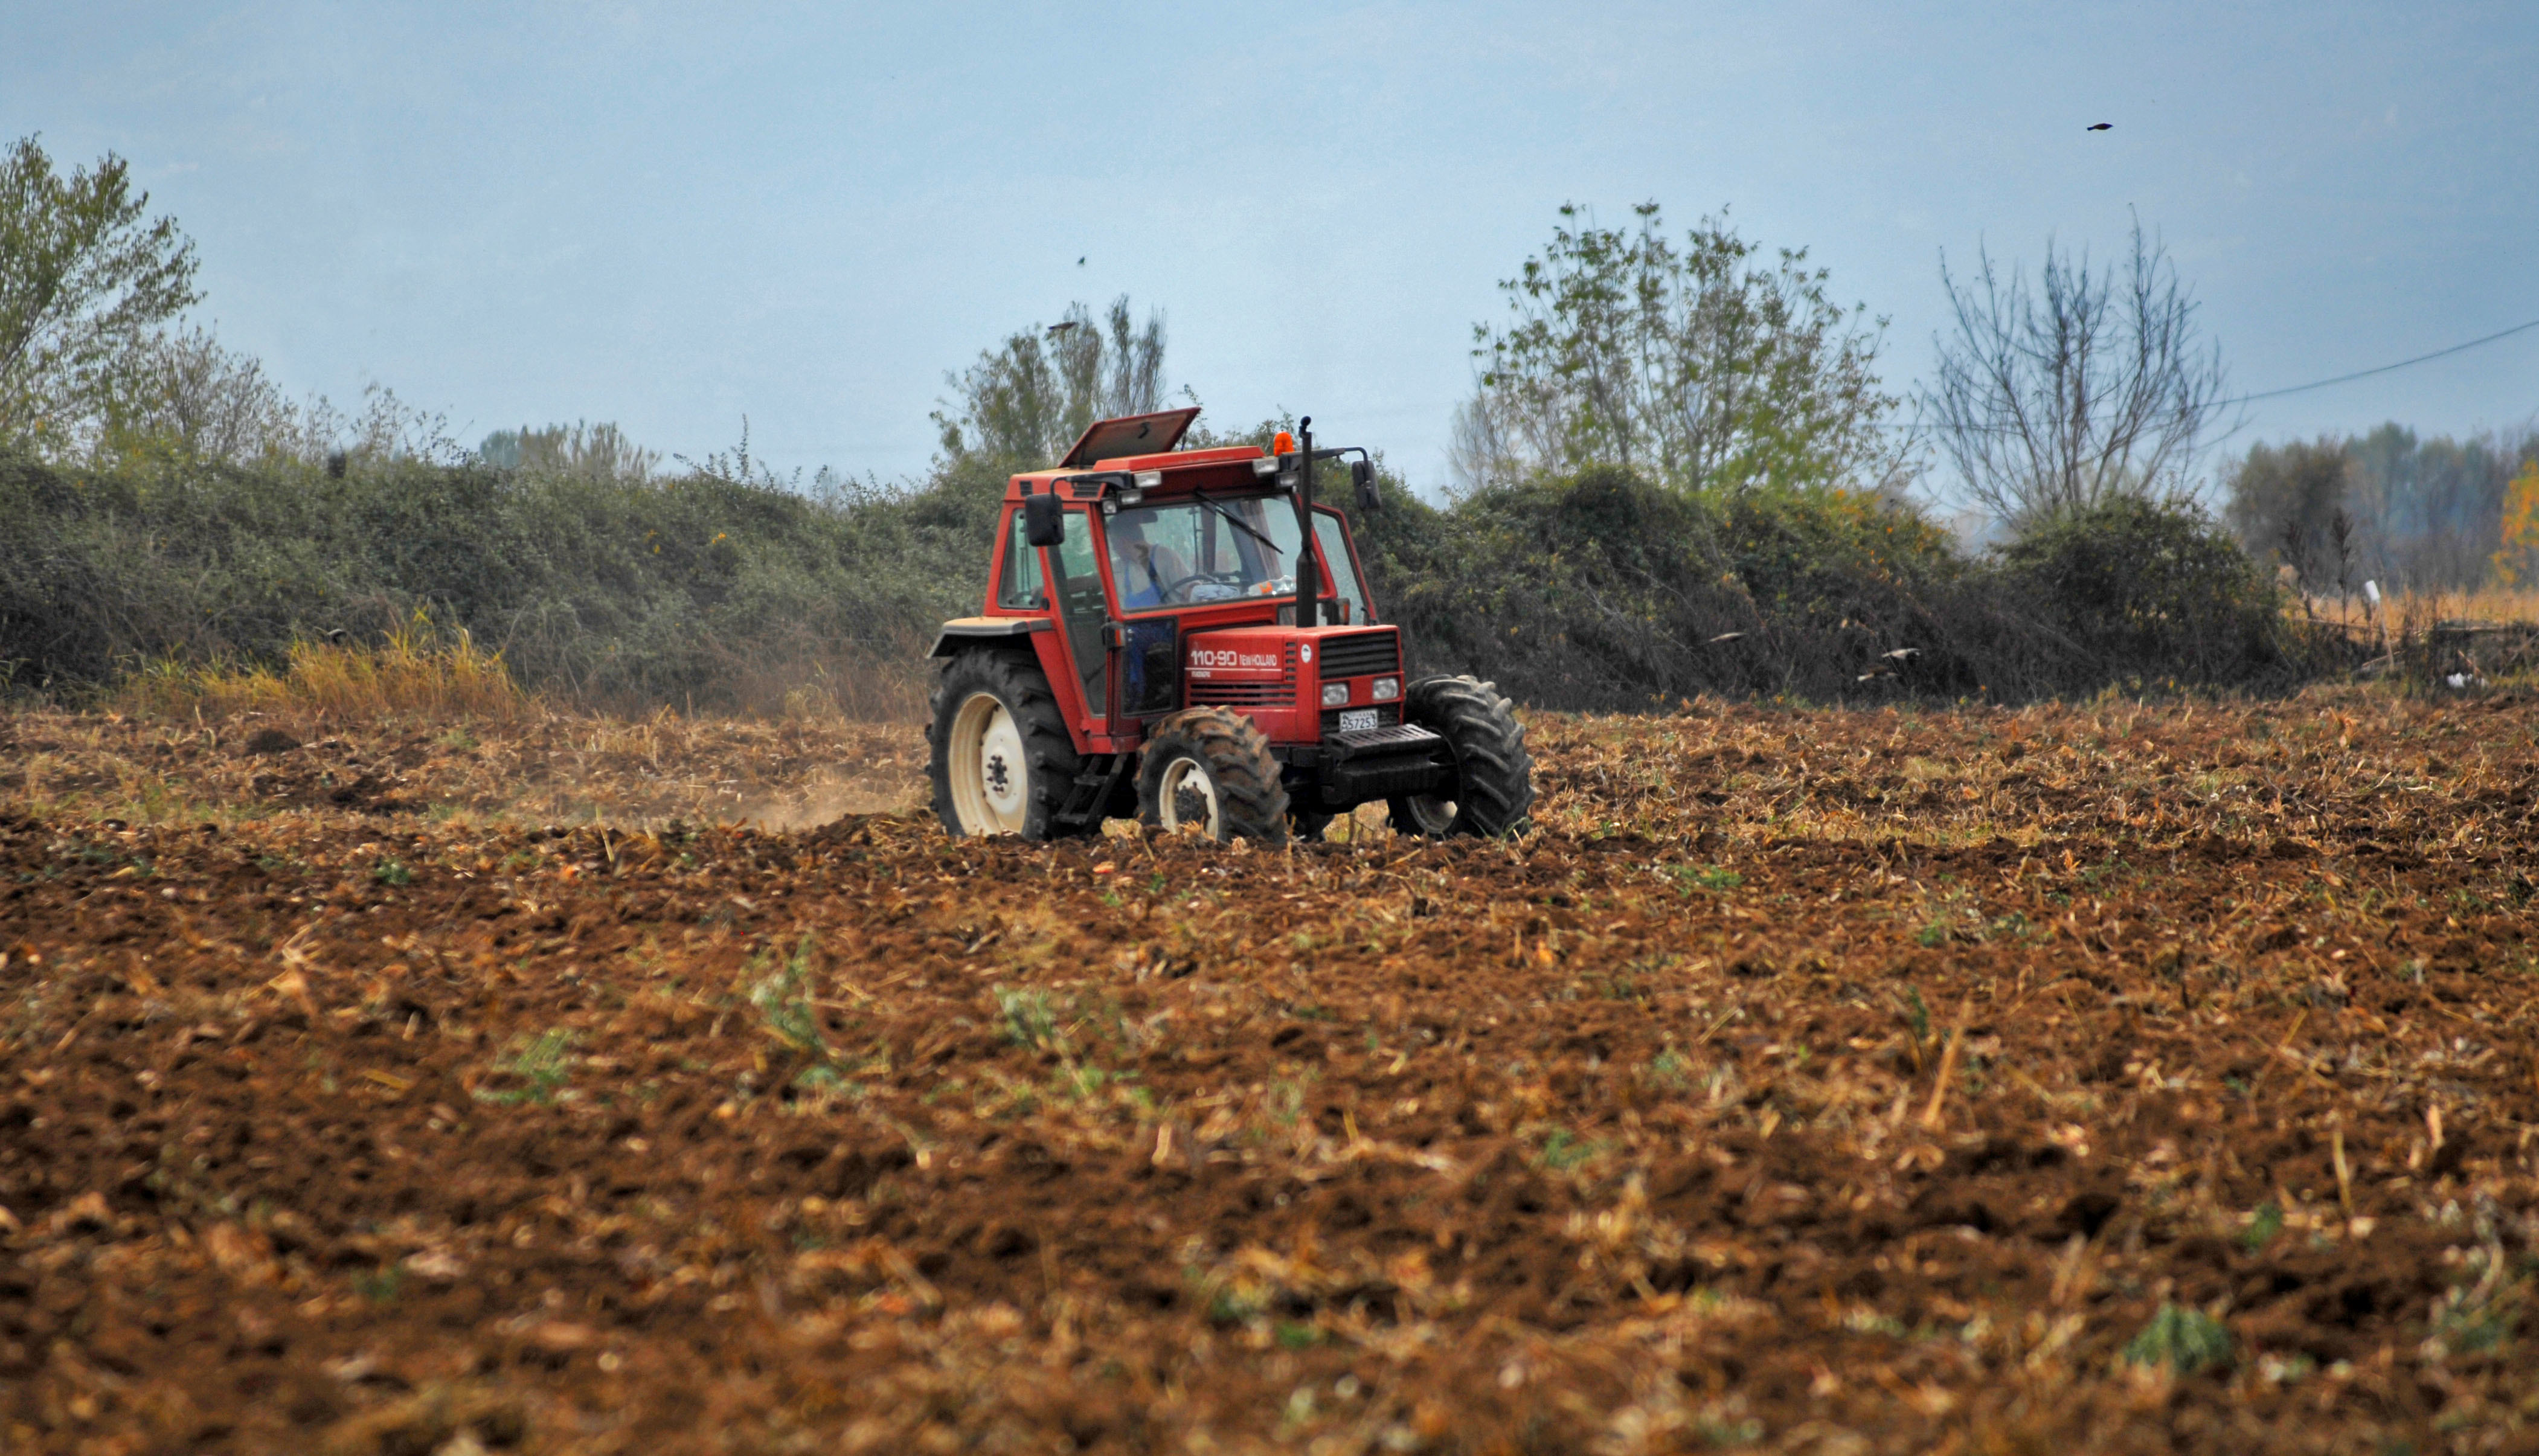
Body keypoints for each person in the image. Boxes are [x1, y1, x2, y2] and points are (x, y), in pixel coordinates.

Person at [1109, 517, 1190, 611]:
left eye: (1113, 543)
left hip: (1168, 621)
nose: (1114, 549)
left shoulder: (1165, 556)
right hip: (1133, 623)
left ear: (1123, 542)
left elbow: (1188, 591)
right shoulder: (1119, 566)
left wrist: (1194, 586)